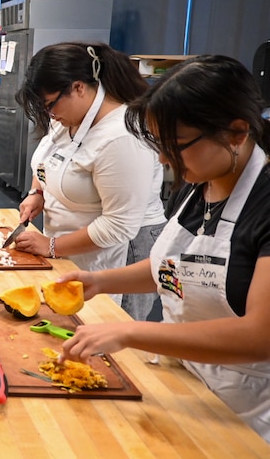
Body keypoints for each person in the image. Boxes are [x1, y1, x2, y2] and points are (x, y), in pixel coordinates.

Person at [58, 55, 270, 441]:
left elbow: (259, 334)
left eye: (176, 145)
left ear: (236, 133)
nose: (162, 158)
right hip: (186, 386)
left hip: (246, 412)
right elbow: (178, 267)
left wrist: (132, 332)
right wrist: (99, 281)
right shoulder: (202, 180)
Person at [14, 42, 166, 321]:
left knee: (111, 340)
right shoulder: (70, 117)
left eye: (50, 104)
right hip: (71, 245)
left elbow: (119, 226)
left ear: (78, 88)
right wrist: (38, 191)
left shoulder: (122, 138)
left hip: (121, 253)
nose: (49, 114)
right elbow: (48, 160)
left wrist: (51, 246)